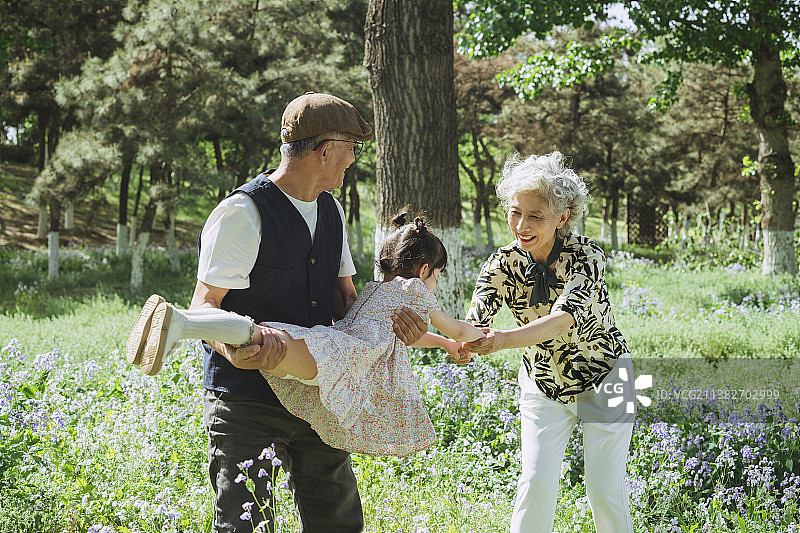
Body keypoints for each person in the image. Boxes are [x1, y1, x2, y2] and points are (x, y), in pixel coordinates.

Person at [128, 92, 430, 533]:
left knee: (338, 521)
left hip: (313, 392)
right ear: (325, 150)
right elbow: (206, 304)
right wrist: (231, 352)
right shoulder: (241, 213)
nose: (353, 161)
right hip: (247, 397)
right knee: (245, 524)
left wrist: (397, 319)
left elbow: (344, 301)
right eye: (351, 148)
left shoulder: (331, 211)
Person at [127, 211, 481, 458]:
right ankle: (179, 323)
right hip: (344, 359)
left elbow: (405, 336)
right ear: (424, 270)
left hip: (327, 344)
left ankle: (182, 323)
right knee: (256, 340)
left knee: (257, 336)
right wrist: (477, 337)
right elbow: (458, 327)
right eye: (437, 275)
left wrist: (445, 345)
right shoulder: (414, 291)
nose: (434, 282)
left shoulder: (375, 289)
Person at [460, 151, 634, 533]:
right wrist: (456, 342)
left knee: (604, 491)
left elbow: (561, 320)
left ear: (562, 217)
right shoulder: (500, 264)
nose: (521, 225)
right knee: (535, 483)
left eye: (535, 215)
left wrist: (503, 340)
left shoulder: (587, 257)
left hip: (608, 379)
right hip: (543, 384)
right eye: (515, 211)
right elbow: (474, 323)